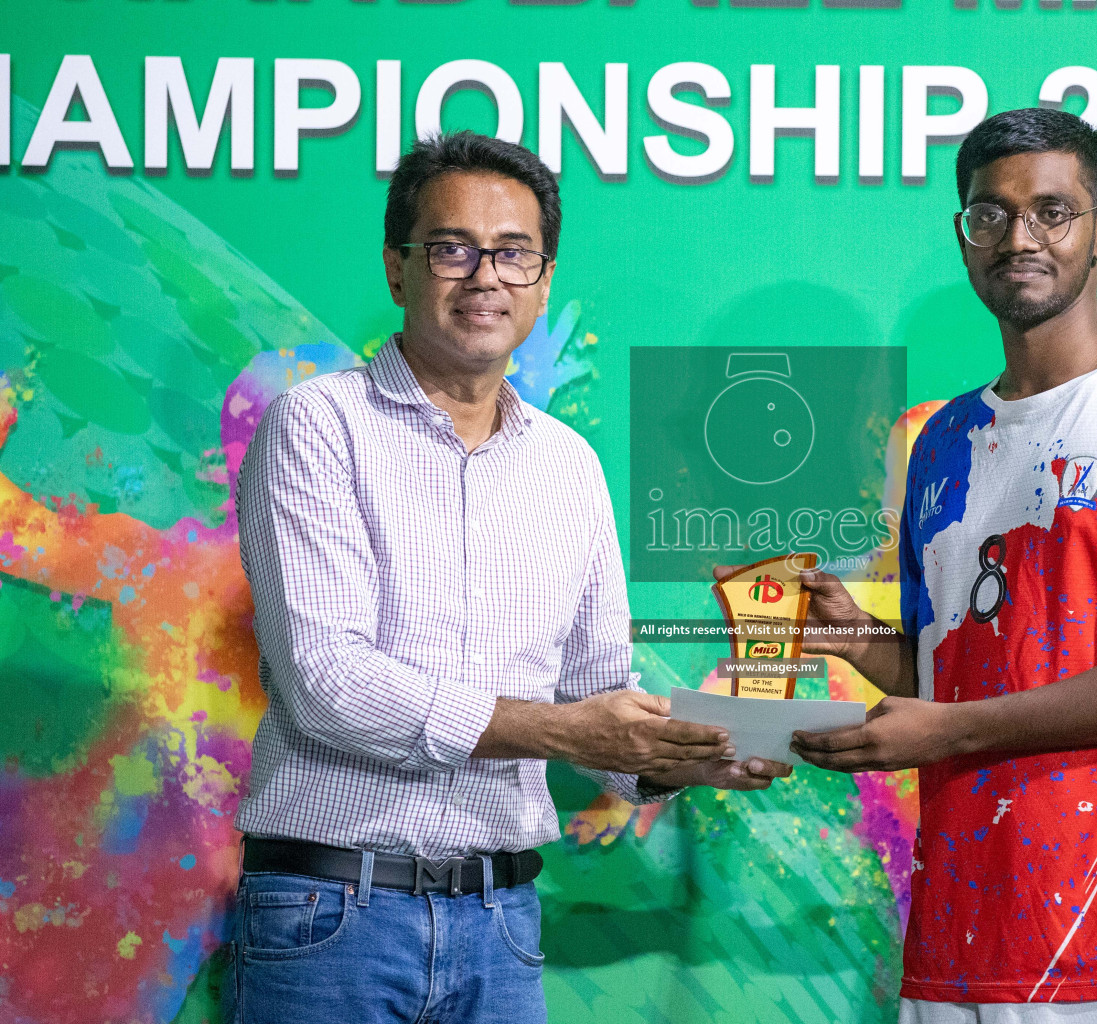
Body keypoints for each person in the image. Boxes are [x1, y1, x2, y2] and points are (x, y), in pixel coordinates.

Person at [231, 131, 790, 1024]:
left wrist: (694, 755)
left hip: (503, 925)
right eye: (452, 248)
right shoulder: (316, 427)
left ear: (543, 281)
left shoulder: (569, 468)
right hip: (330, 917)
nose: (484, 275)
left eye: (513, 253)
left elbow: (597, 694)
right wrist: (570, 733)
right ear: (397, 268)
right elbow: (328, 686)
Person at [784, 108, 1097, 1024]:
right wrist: (854, 637)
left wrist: (950, 734)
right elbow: (949, 673)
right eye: (990, 214)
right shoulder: (942, 442)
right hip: (964, 938)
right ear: (963, 234)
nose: (1020, 238)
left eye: (1053, 211)